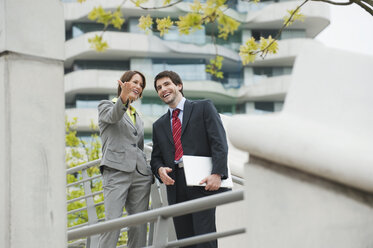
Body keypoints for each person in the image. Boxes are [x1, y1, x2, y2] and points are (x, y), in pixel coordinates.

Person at [150, 70, 229, 248]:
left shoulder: (203, 107)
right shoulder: (159, 125)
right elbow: (156, 159)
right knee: (185, 241)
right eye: (159, 88)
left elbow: (219, 142)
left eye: (167, 84)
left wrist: (217, 173)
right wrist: (159, 169)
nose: (163, 89)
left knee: (204, 238)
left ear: (179, 85)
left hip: (201, 181)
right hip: (176, 187)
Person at [97, 70, 153, 248]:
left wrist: (147, 170)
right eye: (135, 82)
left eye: (141, 85)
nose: (138, 86)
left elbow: (139, 146)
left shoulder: (138, 117)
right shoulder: (106, 106)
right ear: (123, 83)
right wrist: (123, 98)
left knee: (139, 225)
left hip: (140, 175)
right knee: (112, 222)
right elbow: (114, 116)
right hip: (115, 171)